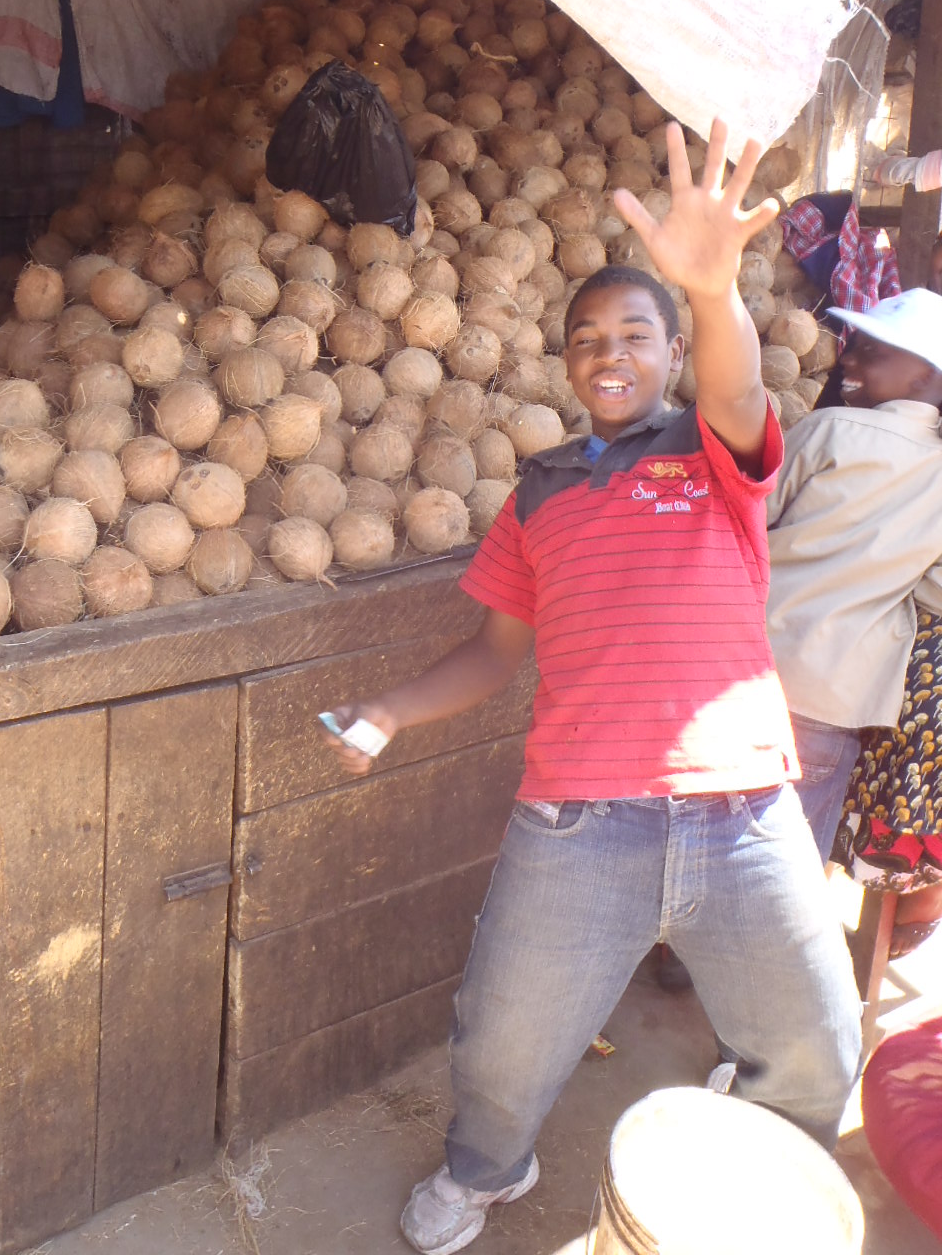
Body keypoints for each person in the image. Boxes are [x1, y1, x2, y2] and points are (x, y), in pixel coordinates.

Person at [317, 120, 863, 1255]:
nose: (607, 353)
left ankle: (759, 1173)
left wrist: (711, 291)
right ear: (565, 364)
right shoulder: (540, 495)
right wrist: (387, 712)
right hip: (575, 823)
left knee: (813, 1039)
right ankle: (485, 1174)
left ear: (670, 353)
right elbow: (492, 654)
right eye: (585, 340)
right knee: (502, 1042)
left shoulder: (720, 457)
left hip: (744, 818)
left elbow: (738, 381)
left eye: (635, 333)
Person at [765, 286, 942, 862]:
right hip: (835, 706)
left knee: (703, 849)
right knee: (785, 883)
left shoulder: (829, 430)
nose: (850, 357)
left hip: (750, 675)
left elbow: (745, 525)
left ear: (925, 378)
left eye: (873, 350)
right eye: (854, 343)